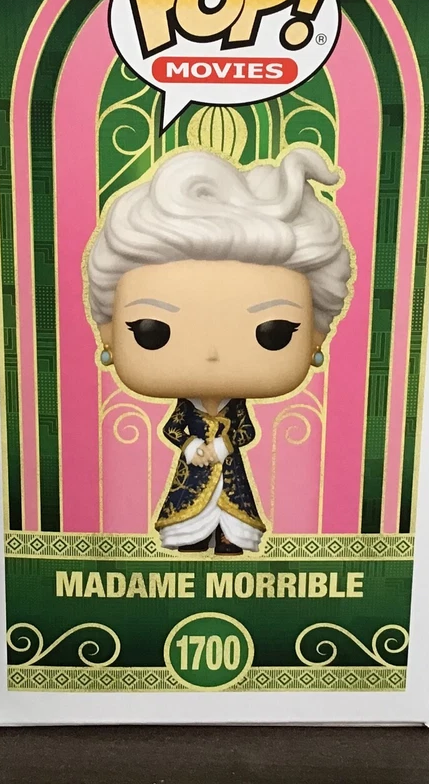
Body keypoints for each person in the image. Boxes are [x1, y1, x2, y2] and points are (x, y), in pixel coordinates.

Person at [84, 145, 352, 553]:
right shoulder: (187, 409)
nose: (211, 353)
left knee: (232, 521)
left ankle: (229, 541)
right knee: (188, 521)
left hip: (227, 467)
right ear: (109, 331)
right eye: (152, 331)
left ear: (316, 336)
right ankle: (192, 541)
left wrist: (220, 448)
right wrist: (193, 447)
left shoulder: (234, 409)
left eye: (274, 332)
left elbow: (245, 430)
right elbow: (174, 428)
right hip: (193, 468)